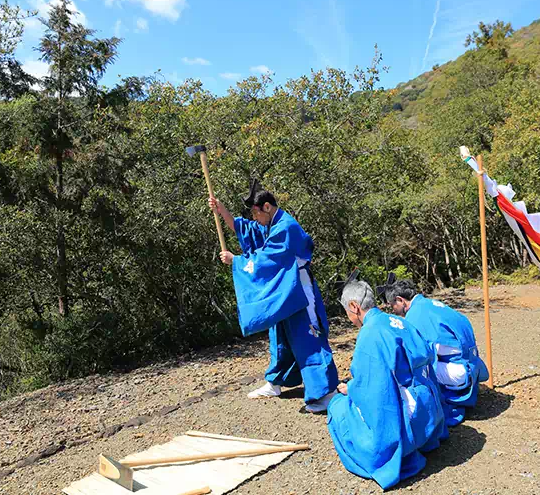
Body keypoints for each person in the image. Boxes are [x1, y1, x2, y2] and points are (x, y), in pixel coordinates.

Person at [209, 180, 338, 413]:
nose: (255, 218)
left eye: (256, 213)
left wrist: (236, 261)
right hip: (284, 286)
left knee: (308, 335)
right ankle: (276, 382)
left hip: (298, 287)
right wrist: (221, 210)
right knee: (279, 335)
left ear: (267, 207)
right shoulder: (271, 223)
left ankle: (326, 391)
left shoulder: (285, 227)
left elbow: (267, 259)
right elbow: (247, 229)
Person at [327, 280, 447, 490]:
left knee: (337, 407)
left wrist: (352, 389)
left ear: (354, 307)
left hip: (406, 412)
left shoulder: (370, 334)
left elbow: (375, 390)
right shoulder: (398, 320)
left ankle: (397, 451)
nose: (348, 316)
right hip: (429, 406)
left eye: (347, 310)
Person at [385, 280, 488, 426]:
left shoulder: (415, 315)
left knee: (410, 372)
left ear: (400, 300)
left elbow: (416, 355)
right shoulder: (431, 304)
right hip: (471, 363)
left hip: (460, 371)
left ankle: (433, 412)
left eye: (392, 306)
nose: (393, 310)